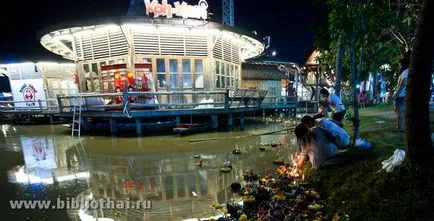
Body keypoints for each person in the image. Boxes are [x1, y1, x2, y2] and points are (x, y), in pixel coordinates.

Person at [392, 51, 411, 133]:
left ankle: (400, 128)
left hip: (401, 95)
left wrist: (396, 94)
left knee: (399, 111)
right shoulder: (407, 71)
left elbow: (402, 84)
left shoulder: (405, 72)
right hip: (403, 94)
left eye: (400, 64)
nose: (399, 66)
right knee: (400, 111)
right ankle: (401, 127)